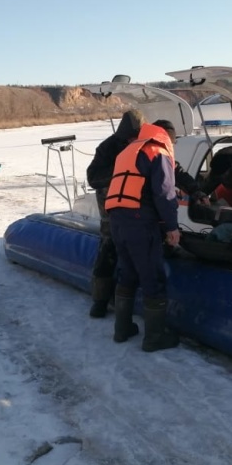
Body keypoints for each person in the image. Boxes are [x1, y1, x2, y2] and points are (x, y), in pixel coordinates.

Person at [105, 121, 181, 352]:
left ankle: (122, 329)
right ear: (167, 137)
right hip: (140, 223)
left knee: (126, 273)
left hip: (117, 221)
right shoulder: (157, 151)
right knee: (153, 278)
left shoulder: (128, 151)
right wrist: (172, 228)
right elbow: (164, 193)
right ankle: (154, 338)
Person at [85, 109, 144, 318]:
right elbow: (93, 177)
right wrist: (122, 170)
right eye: (129, 137)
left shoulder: (145, 145)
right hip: (111, 209)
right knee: (107, 252)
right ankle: (99, 301)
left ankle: (127, 302)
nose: (132, 140)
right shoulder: (107, 148)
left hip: (137, 210)